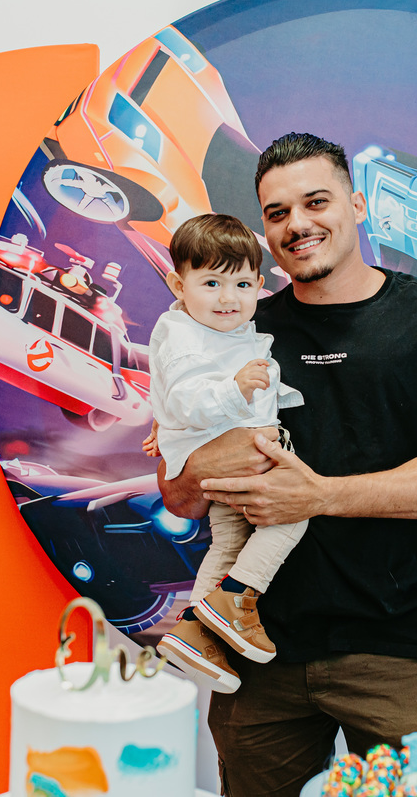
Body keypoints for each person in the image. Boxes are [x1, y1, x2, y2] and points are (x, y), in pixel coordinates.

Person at [159, 132, 417, 796]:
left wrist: (317, 495)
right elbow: (179, 496)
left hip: (395, 651)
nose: (297, 224)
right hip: (255, 656)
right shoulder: (233, 331)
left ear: (357, 204)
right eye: (277, 213)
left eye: (315, 202)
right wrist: (211, 445)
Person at [146, 213, 309, 696]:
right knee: (291, 516)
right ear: (179, 285)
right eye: (211, 283)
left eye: (241, 285)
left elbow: (185, 396)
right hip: (231, 461)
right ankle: (237, 596)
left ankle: (195, 632)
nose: (227, 298)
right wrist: (235, 390)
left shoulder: (224, 331)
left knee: (229, 542)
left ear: (259, 285)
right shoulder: (186, 336)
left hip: (227, 457)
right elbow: (186, 398)